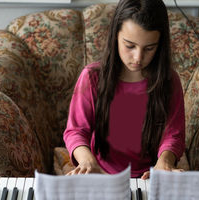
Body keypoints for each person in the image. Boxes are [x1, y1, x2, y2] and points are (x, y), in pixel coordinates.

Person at [63, 0, 185, 179]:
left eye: (149, 48)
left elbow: (174, 133)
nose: (138, 57)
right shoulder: (92, 77)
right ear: (115, 36)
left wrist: (165, 161)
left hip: (149, 177)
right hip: (101, 174)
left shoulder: (169, 80)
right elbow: (76, 130)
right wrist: (86, 160)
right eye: (130, 46)